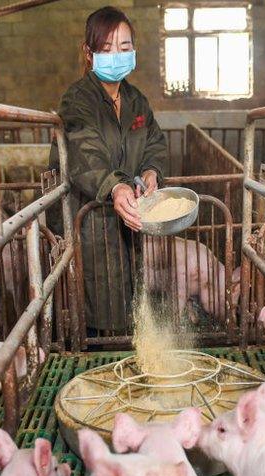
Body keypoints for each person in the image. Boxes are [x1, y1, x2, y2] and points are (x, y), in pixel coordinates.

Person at [49, 6, 167, 335]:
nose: (117, 56)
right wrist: (116, 187)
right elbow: (85, 152)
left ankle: (123, 352)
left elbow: (155, 142)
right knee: (89, 305)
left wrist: (151, 172)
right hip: (86, 221)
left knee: (128, 299)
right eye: (106, 49)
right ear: (89, 53)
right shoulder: (77, 100)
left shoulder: (136, 101)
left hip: (127, 220)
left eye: (125, 48)